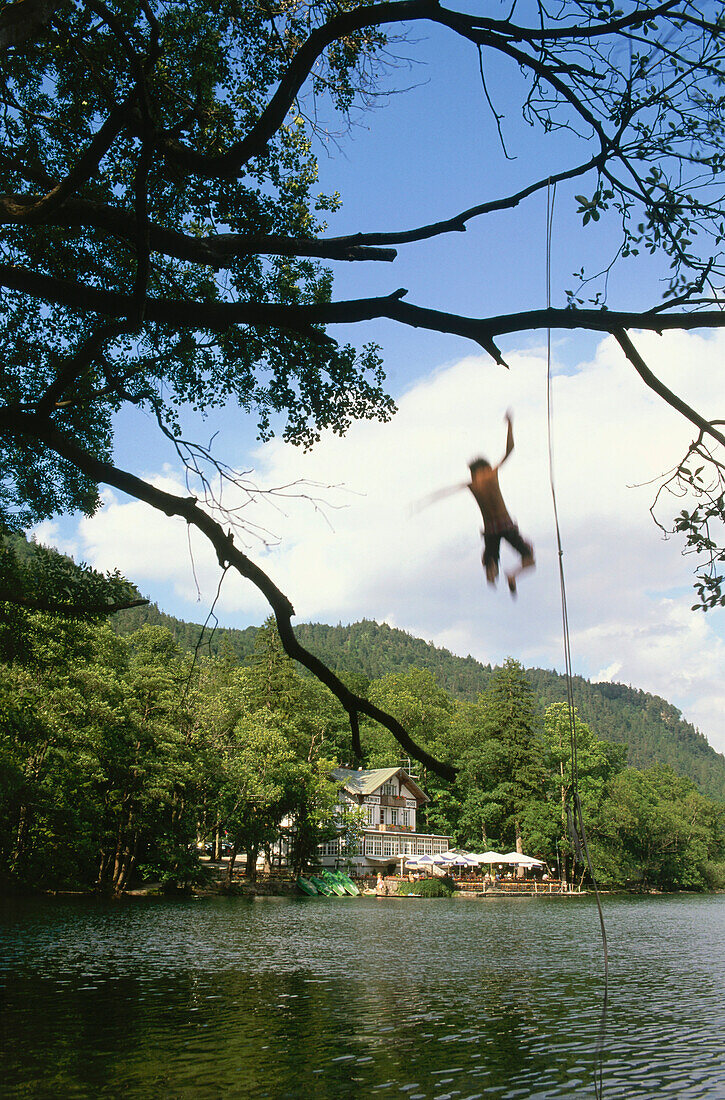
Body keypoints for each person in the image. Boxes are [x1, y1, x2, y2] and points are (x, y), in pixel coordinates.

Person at [418, 410, 534, 596]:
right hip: (506, 524)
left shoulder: (471, 484)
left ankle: (492, 569)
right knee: (529, 559)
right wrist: (510, 424)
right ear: (485, 467)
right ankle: (512, 576)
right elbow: (510, 449)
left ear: (473, 472)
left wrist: (424, 501)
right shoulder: (492, 474)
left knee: (490, 563)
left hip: (490, 530)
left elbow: (445, 492)